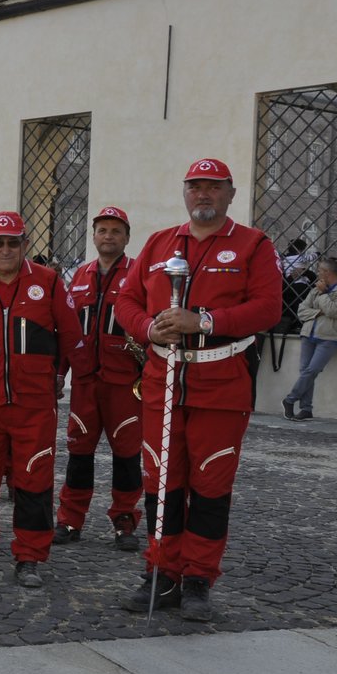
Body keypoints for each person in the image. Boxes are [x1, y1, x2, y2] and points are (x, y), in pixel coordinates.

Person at [114, 158, 282, 620]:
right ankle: (161, 574)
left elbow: (268, 308)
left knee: (210, 487)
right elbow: (125, 300)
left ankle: (198, 580)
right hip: (161, 381)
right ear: (185, 194)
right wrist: (149, 328)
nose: (203, 195)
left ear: (230, 193)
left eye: (213, 188)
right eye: (195, 187)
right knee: (161, 483)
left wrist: (204, 321)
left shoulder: (253, 245)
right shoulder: (159, 243)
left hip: (221, 384)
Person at [0, 211, 89, 588]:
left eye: (13, 242)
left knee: (33, 480)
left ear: (25, 245)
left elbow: (71, 336)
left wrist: (56, 377)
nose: (5, 249)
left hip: (35, 405)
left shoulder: (50, 283)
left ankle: (29, 558)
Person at [54, 206, 143, 551]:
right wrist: (59, 374)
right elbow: (65, 329)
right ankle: (70, 520)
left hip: (125, 384)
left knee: (126, 457)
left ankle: (125, 522)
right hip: (85, 383)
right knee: (78, 455)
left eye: (115, 231)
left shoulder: (140, 276)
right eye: (102, 230)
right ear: (93, 236)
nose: (108, 236)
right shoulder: (78, 276)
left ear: (126, 238)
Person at [283, 256, 337, 422]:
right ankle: (306, 409)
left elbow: (334, 311)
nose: (318, 273)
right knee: (306, 371)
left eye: (320, 270)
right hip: (308, 334)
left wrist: (324, 294)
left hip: (330, 336)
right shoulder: (316, 289)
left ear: (328, 273)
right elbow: (301, 311)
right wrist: (318, 311)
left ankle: (290, 399)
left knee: (312, 370)